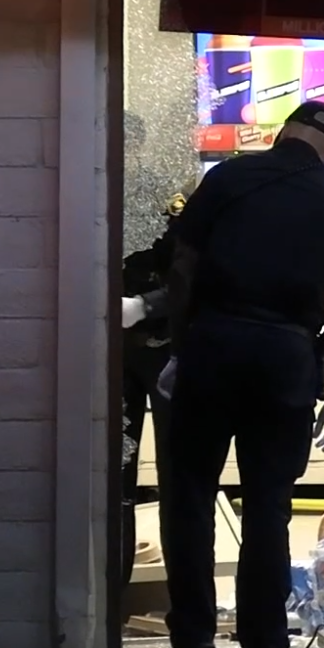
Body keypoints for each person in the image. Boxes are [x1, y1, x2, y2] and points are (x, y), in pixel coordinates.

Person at [157, 101, 324, 648]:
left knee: (189, 498)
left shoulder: (225, 176)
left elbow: (182, 269)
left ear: (283, 135)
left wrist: (182, 349)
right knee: (268, 507)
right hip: (285, 360)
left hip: (214, 345)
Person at [118, 191, 188, 589]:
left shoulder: (175, 205)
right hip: (116, 349)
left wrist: (146, 305)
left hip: (167, 346)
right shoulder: (105, 194)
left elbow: (195, 275)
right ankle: (114, 601)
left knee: (177, 478)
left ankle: (186, 605)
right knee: (115, 483)